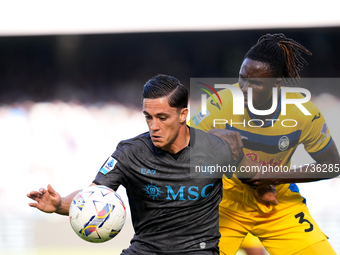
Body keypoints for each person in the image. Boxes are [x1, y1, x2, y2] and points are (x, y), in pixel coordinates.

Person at [28, 74, 271, 255]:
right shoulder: (130, 153)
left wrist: (264, 190)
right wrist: (61, 204)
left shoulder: (215, 148)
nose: (153, 126)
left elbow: (246, 168)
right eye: (148, 117)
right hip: (146, 250)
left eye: (162, 117)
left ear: (183, 114)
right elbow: (93, 195)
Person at [190, 33, 340, 255]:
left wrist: (274, 177)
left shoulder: (304, 113)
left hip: (279, 203)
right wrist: (217, 146)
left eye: (255, 83)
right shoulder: (220, 103)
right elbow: (184, 150)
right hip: (225, 203)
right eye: (242, 77)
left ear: (276, 84)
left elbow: (332, 165)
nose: (244, 87)